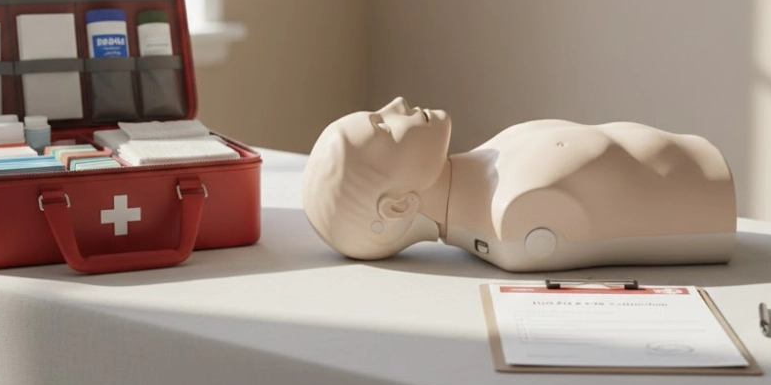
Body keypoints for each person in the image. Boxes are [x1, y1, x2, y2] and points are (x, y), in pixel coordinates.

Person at [302, 97, 736, 272]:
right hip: (715, 197)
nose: (396, 103)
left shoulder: (490, 162)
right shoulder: (515, 215)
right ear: (397, 206)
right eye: (382, 126)